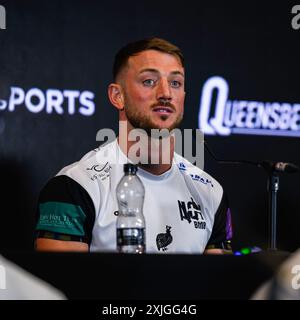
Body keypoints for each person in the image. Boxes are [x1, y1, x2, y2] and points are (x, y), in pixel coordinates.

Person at [35, 37, 232, 254]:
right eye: (149, 81)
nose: (166, 93)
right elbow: (60, 284)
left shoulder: (210, 192)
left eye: (175, 83)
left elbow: (217, 285)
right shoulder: (74, 186)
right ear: (117, 96)